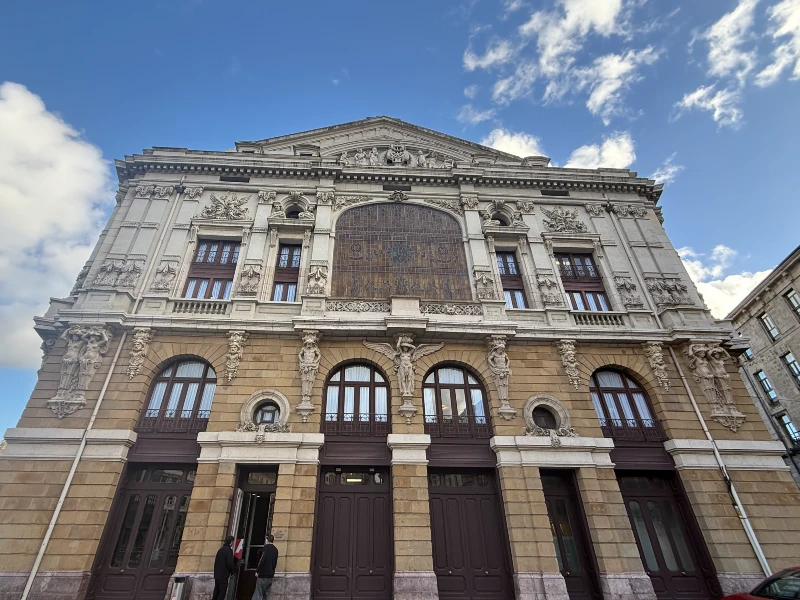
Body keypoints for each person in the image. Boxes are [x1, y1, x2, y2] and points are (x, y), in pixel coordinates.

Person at [252, 534, 279, 600]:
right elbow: (275, 563)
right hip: (270, 575)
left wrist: (257, 571)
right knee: (267, 594)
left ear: (267, 540)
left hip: (263, 574)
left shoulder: (265, 548)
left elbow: (262, 560)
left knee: (258, 594)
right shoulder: (275, 550)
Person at [211, 535, 235, 600]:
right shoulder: (229, 550)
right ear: (231, 542)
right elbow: (229, 563)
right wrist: (232, 572)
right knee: (222, 592)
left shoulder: (220, 550)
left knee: (216, 591)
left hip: (217, 574)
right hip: (224, 574)